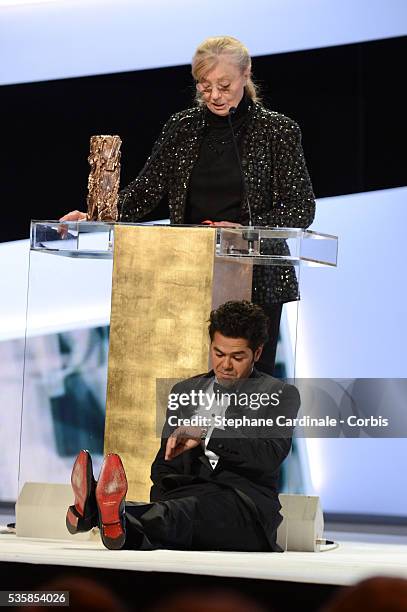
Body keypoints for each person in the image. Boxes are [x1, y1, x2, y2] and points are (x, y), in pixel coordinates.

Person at [60, 36, 315, 374]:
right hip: (188, 274)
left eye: (224, 85)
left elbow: (301, 209)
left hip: (256, 281)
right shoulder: (182, 128)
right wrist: (95, 216)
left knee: (244, 399)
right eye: (204, 85)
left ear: (246, 74)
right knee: (190, 387)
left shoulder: (277, 131)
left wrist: (245, 231)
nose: (214, 95)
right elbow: (145, 192)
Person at [66, 300, 300, 552]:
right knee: (172, 513)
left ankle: (93, 513)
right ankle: (106, 516)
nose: (226, 365)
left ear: (257, 353)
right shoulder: (185, 391)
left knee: (182, 512)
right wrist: (167, 496)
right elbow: (162, 467)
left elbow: (268, 456)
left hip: (243, 509)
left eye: (237, 357)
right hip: (187, 502)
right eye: (218, 353)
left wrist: (206, 433)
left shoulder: (279, 395)